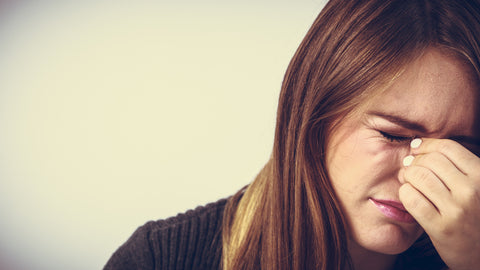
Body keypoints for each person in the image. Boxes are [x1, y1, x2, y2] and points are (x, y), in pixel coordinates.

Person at [104, 0, 480, 269]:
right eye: (393, 135)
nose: (424, 175)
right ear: (313, 116)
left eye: (459, 148)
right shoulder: (160, 259)